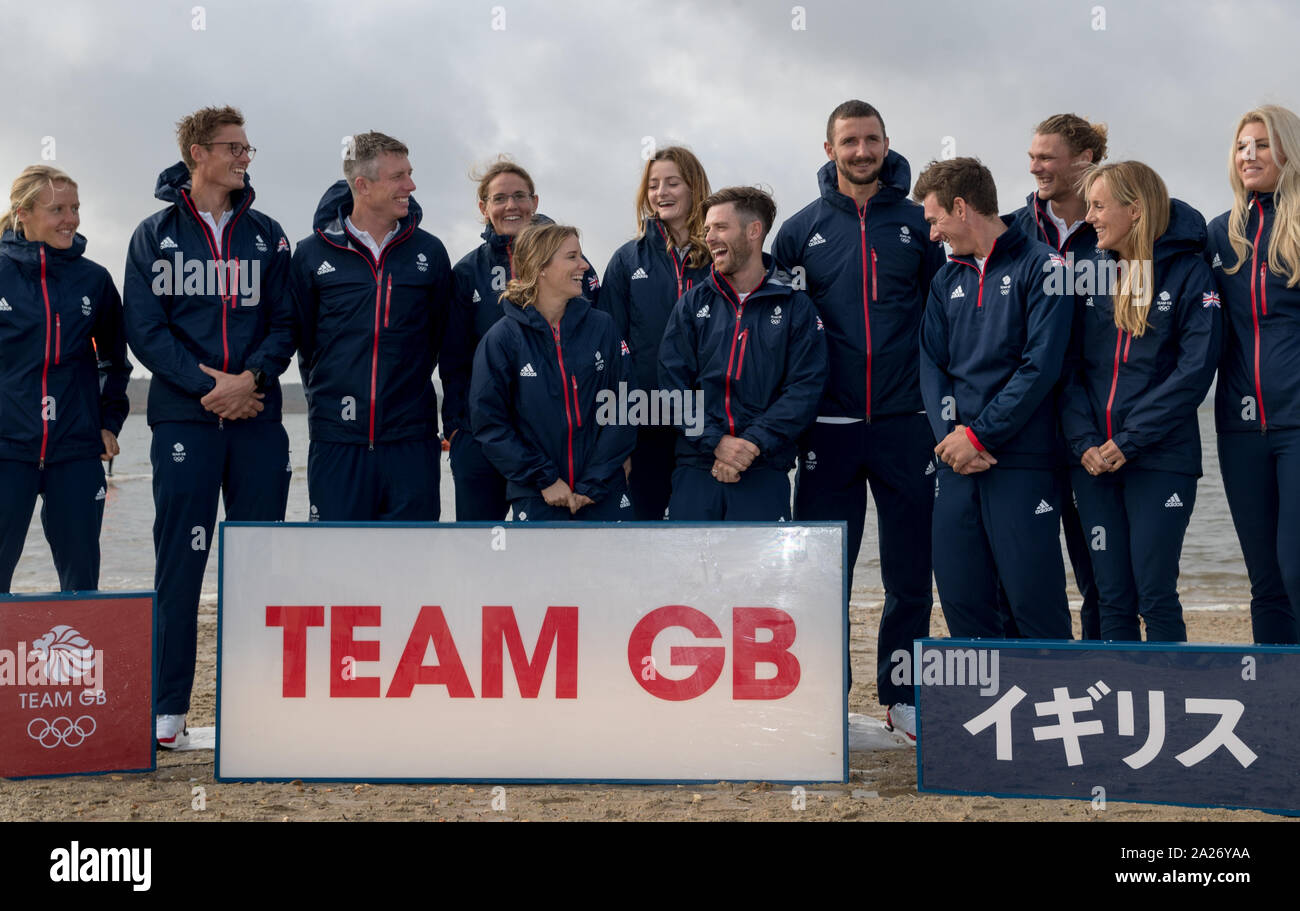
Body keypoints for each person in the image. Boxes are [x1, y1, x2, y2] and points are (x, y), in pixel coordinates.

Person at [772, 100, 944, 741]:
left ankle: (904, 702)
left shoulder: (917, 222)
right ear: (829, 149)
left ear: (886, 143)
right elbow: (782, 331)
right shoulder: (798, 231)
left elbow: (942, 318)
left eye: (871, 139)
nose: (862, 150)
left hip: (906, 423)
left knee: (909, 575)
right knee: (824, 575)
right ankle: (827, 702)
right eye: (850, 140)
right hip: (829, 428)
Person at [124, 105, 294, 749]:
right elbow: (145, 330)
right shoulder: (153, 234)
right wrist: (210, 388)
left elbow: (287, 323)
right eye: (233, 147)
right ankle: (168, 712)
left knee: (257, 563)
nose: (244, 157)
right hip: (182, 420)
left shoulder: (268, 234)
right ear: (198, 152)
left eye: (248, 148)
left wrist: (249, 382)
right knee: (180, 562)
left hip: (257, 416)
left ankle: (254, 706)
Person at [1061, 162, 1220, 641]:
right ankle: (1116, 711)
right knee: (1111, 596)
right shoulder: (1088, 274)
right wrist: (1085, 440)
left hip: (1160, 459)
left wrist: (1128, 441)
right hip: (1092, 462)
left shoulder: (1190, 272)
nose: (1089, 217)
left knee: (1154, 593)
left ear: (1135, 210)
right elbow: (1064, 368)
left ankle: (1170, 709)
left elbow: (1194, 372)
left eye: (1098, 206)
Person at [915, 157, 1073, 640]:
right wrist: (952, 440)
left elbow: (1040, 368)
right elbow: (931, 365)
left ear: (961, 207)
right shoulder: (945, 280)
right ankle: (980, 714)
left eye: (934, 219)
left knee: (1033, 604)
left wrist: (981, 434)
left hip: (1021, 461)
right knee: (963, 601)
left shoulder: (1048, 267)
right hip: (956, 463)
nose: (932, 234)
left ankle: (1048, 713)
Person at [291, 131, 453, 522]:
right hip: (336, 441)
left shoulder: (430, 253)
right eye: (398, 177)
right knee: (337, 567)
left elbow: (440, 341)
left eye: (409, 174)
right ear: (362, 185)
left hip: (411, 441)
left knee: (411, 565)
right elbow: (304, 342)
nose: (410, 186)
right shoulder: (311, 253)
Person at [441, 158, 599, 521]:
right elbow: (452, 358)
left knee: (554, 555)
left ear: (535, 202)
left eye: (519, 196)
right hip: (485, 437)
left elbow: (598, 345)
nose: (511, 205)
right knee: (481, 553)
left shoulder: (574, 264)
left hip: (555, 440)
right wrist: (458, 431)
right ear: (484, 208)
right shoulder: (467, 272)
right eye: (500, 198)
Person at [659, 187, 826, 520]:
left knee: (758, 575)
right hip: (696, 470)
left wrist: (752, 443)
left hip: (764, 470)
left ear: (754, 231)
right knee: (691, 573)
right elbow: (672, 387)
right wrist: (716, 442)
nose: (709, 237)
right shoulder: (693, 304)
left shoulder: (796, 307)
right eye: (707, 229)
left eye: (720, 227)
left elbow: (805, 389)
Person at [0, 166, 130, 592]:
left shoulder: (93, 279)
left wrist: (109, 422)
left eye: (74, 208)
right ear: (23, 214)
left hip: (75, 451)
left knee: (81, 586)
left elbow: (115, 360)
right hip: (6, 451)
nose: (70, 219)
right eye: (57, 209)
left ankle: (74, 661)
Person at [1007, 113, 1109, 639]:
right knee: (1026, 570)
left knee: (1101, 574)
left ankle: (1100, 676)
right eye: (1032, 157)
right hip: (1028, 427)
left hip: (1097, 423)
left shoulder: (1118, 228)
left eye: (1046, 157)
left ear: (1085, 160)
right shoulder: (1013, 230)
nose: (1035, 167)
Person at [1207, 105, 1300, 644]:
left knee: (1296, 566)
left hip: (1296, 424)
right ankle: (1278, 706)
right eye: (1243, 146)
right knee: (1265, 581)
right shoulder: (1221, 235)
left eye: (1262, 145)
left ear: (1287, 151)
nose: (1249, 155)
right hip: (1240, 428)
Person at [469, 224, 634, 521]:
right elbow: (491, 424)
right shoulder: (502, 339)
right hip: (539, 496)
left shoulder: (602, 327)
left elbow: (625, 406)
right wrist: (544, 479)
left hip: (604, 492)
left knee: (611, 570)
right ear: (540, 266)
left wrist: (595, 480)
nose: (584, 265)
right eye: (572, 257)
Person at [600, 146, 713, 520]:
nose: (661, 192)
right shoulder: (626, 259)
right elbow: (610, 352)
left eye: (672, 183)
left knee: (697, 536)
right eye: (653, 185)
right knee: (641, 537)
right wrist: (619, 440)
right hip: (646, 421)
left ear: (694, 187)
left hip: (708, 419)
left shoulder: (720, 255)